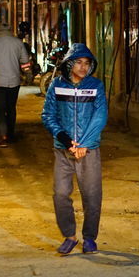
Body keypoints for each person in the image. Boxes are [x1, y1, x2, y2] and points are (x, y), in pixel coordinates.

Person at [40, 43, 108, 255]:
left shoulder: (96, 86)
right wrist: (67, 140)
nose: (83, 67)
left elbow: (100, 116)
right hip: (63, 150)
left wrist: (84, 144)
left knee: (92, 196)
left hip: (89, 152)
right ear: (69, 64)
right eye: (78, 62)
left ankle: (89, 238)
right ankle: (69, 235)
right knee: (60, 194)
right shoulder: (56, 86)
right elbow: (48, 115)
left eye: (87, 63)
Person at [0, 24, 32, 146]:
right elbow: (25, 61)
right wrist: (27, 73)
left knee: (0, 110)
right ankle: (11, 135)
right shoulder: (17, 42)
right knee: (11, 109)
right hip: (14, 82)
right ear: (10, 31)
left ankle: (3, 136)